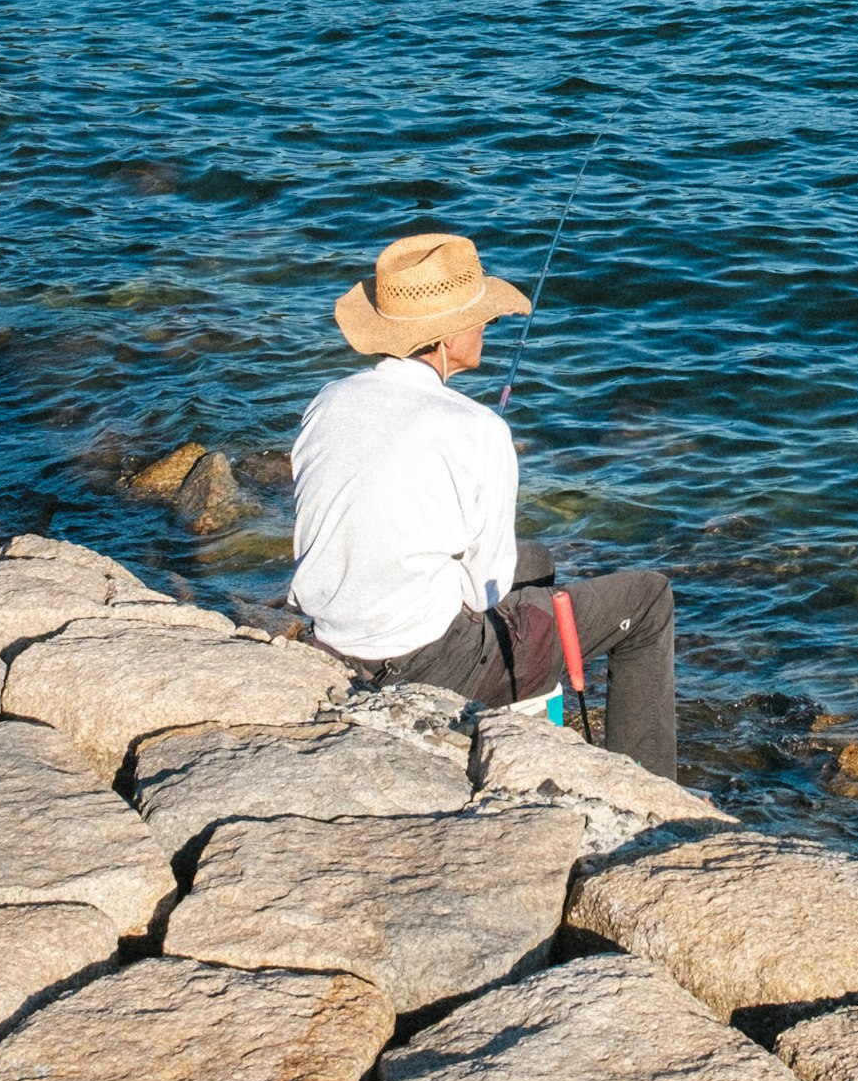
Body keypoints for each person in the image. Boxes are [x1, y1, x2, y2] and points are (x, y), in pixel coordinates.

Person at [287, 229, 678, 776]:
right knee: (648, 601)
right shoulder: (477, 429)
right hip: (422, 662)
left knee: (537, 559)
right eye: (482, 318)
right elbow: (486, 588)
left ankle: (528, 712)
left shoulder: (329, 401)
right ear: (447, 337)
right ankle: (651, 787)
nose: (488, 329)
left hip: (334, 641)